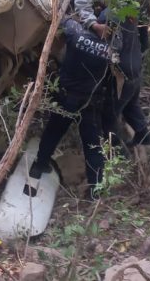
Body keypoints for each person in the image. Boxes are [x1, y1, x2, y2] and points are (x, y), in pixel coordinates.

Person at [30, 17, 116, 199]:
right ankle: (95, 190)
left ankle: (39, 166)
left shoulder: (77, 34)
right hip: (90, 102)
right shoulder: (111, 49)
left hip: (66, 97)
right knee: (93, 145)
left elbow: (63, 18)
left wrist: (84, 18)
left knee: (53, 132)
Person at [99, 5, 150, 148]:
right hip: (135, 69)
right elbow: (144, 41)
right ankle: (144, 137)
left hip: (122, 76)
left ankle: (118, 151)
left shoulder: (108, 15)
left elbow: (106, 44)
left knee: (109, 115)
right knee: (130, 105)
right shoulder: (130, 13)